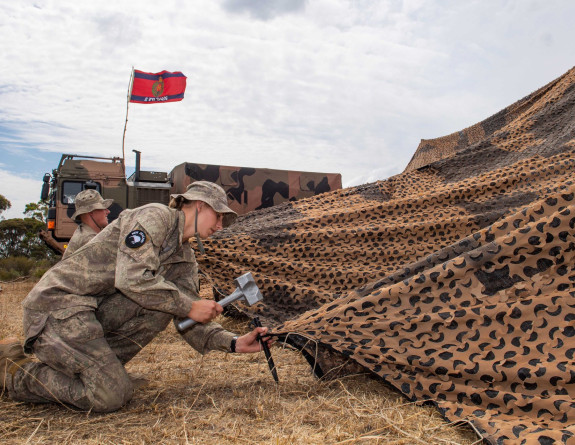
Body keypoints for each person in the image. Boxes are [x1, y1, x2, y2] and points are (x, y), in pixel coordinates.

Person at [0, 181, 271, 412]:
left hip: (90, 310)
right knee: (109, 396)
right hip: (57, 306)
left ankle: (105, 372)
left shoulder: (184, 257)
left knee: (163, 303)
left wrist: (234, 343)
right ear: (199, 205)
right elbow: (131, 278)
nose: (221, 225)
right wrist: (189, 305)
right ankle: (13, 371)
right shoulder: (154, 216)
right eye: (219, 216)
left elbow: (186, 319)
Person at [62, 189, 113, 259]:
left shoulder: (84, 232)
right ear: (91, 212)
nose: (108, 211)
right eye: (103, 208)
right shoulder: (89, 241)